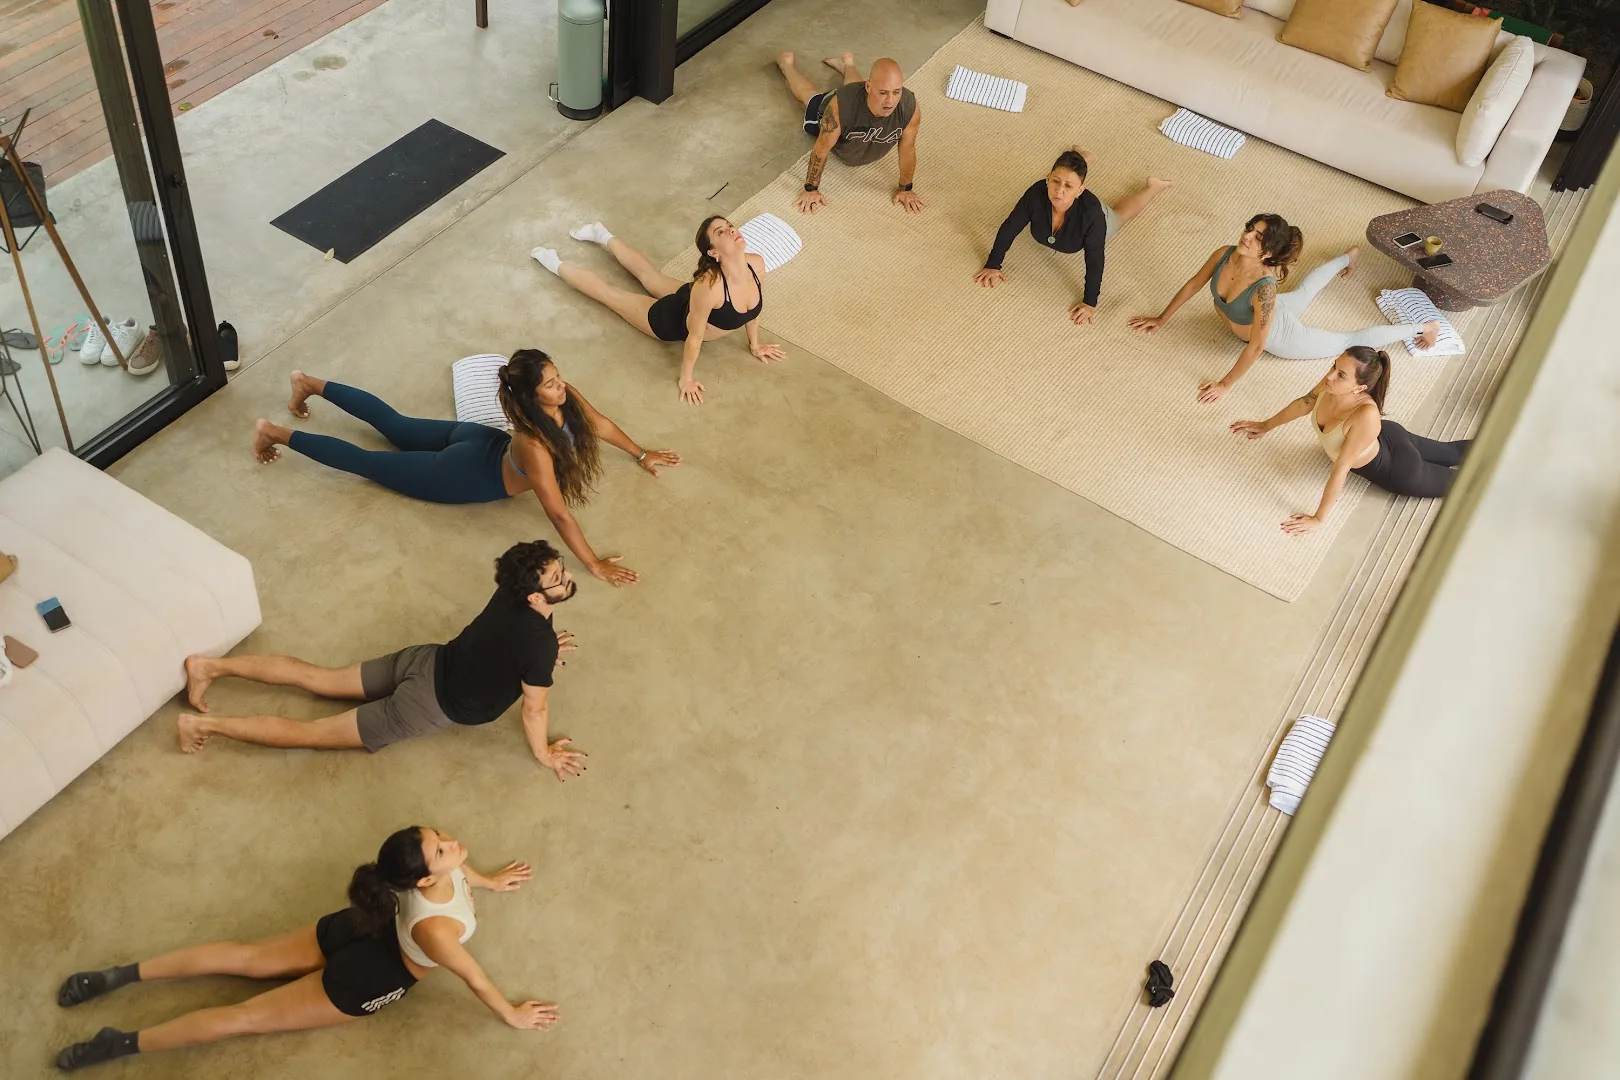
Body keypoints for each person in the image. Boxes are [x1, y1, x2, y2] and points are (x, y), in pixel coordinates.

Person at [53, 826, 556, 1072]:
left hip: (361, 925)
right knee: (243, 1016)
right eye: (442, 846)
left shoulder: (403, 875)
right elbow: (475, 978)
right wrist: (511, 1014)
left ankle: (120, 976)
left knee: (246, 958)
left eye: (442, 839)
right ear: (425, 876)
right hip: (373, 976)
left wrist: (485, 880)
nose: (451, 842)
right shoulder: (437, 934)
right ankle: (119, 1043)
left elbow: (453, 871)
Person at [174, 540, 588, 782]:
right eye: (557, 578)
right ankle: (202, 724)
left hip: (423, 660)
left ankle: (209, 667)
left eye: (562, 570)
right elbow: (536, 711)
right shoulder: (537, 646)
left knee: (317, 678)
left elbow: (511, 639)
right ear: (533, 596)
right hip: (425, 707)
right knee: (311, 733)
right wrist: (544, 754)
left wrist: (543, 646)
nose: (567, 577)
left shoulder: (511, 592)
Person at [251, 350, 675, 586]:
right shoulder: (533, 444)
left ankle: (307, 383)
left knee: (396, 425)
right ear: (531, 394)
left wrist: (640, 453)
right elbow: (558, 512)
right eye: (550, 382)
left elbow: (600, 424)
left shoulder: (564, 399)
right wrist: (594, 564)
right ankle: (275, 433)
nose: (560, 385)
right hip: (464, 475)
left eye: (558, 376)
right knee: (369, 462)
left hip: (477, 441)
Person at [1128, 213, 1440, 404]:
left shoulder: (1264, 289)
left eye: (1257, 237)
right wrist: (1161, 318)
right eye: (1249, 229)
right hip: (1268, 311)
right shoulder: (1225, 253)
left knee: (1347, 341)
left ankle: (1423, 327)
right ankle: (1348, 258)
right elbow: (1194, 284)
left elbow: (1257, 346)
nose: (1246, 236)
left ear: (1267, 253)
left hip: (1282, 334)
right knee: (1304, 291)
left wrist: (1225, 384)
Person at [532, 216, 784, 404]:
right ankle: (552, 261)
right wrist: (686, 378)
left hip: (691, 297)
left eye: (730, 226)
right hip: (669, 320)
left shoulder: (756, 265)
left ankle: (602, 234)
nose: (731, 230)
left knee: (650, 277)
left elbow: (753, 308)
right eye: (722, 231)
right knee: (611, 295)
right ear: (713, 252)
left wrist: (755, 344)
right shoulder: (710, 288)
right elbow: (694, 338)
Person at [1229, 346, 1470, 535]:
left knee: (1468, 481)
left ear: (1360, 387)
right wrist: (1265, 425)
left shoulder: (1365, 413)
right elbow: (1304, 403)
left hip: (1400, 470)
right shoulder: (1332, 384)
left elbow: (1341, 467)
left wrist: (1318, 518)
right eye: (1334, 367)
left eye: (1341, 374)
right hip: (1388, 434)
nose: (1330, 376)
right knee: (1451, 452)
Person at [972, 148, 1172, 326]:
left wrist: (1089, 302)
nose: (1059, 191)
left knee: (1119, 217)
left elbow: (1095, 260)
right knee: (1065, 177)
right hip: (1073, 199)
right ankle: (1079, 157)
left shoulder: (1093, 216)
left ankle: (1153, 187)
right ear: (1048, 177)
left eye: (1068, 186)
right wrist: (993, 264)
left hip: (1095, 212)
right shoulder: (1036, 193)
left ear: (1080, 190)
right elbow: (1010, 226)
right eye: (1055, 181)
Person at [773, 52, 923, 215]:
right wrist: (811, 189)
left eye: (896, 92)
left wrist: (906, 188)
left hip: (858, 96)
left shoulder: (909, 106)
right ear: (869, 87)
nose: (890, 101)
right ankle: (786, 66)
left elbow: (907, 149)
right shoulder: (839, 108)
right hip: (836, 105)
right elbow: (821, 148)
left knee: (855, 87)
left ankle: (847, 64)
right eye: (883, 92)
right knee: (809, 97)